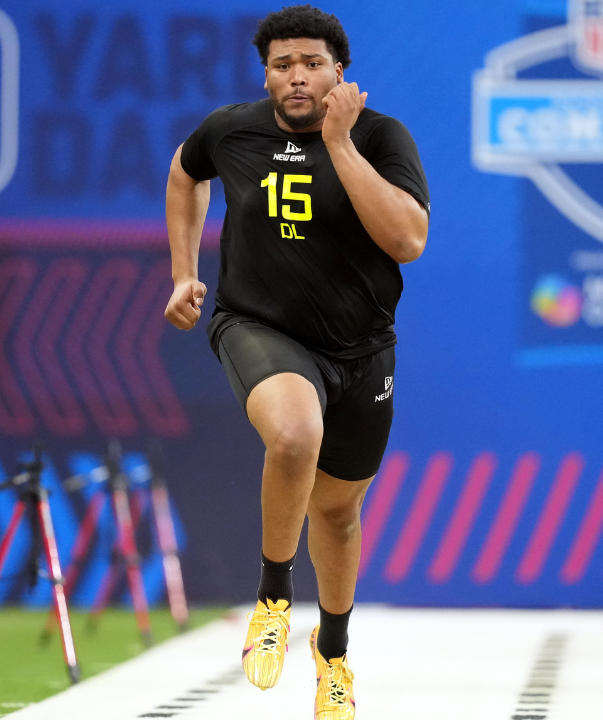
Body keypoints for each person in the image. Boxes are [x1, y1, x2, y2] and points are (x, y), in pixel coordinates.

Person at [162, 6, 430, 719]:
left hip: (362, 351)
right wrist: (184, 272)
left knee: (337, 513)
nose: (298, 77)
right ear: (266, 76)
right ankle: (274, 597)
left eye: (312, 63)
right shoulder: (232, 130)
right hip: (258, 325)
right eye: (283, 65)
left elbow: (408, 241)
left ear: (340, 71)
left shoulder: (380, 137)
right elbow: (185, 173)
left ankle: (332, 654)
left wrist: (339, 144)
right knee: (294, 434)